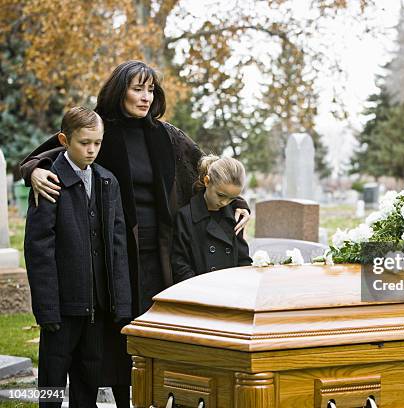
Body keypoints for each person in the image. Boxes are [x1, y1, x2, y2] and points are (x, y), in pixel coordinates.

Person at [20, 60, 250, 406]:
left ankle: (157, 396)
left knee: (154, 332)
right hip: (112, 250)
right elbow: (51, 152)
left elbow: (208, 167)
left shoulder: (165, 134)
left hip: (159, 251)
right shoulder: (100, 127)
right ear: (120, 90)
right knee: (112, 338)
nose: (145, 97)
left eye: (150, 89)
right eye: (137, 89)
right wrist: (34, 171)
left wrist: (238, 202)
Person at [24, 107, 131, 408]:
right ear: (64, 140)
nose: (92, 150)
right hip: (61, 306)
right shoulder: (49, 181)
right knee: (52, 383)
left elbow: (118, 246)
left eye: (97, 143)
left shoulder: (107, 182)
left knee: (87, 382)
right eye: (85, 142)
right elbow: (38, 249)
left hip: (96, 307)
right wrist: (46, 309)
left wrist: (120, 303)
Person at [172, 155, 252, 283]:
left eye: (232, 198)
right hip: (198, 293)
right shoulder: (186, 216)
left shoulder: (236, 215)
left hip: (232, 291)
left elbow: (243, 259)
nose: (224, 202)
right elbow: (180, 263)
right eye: (221, 195)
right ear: (207, 181)